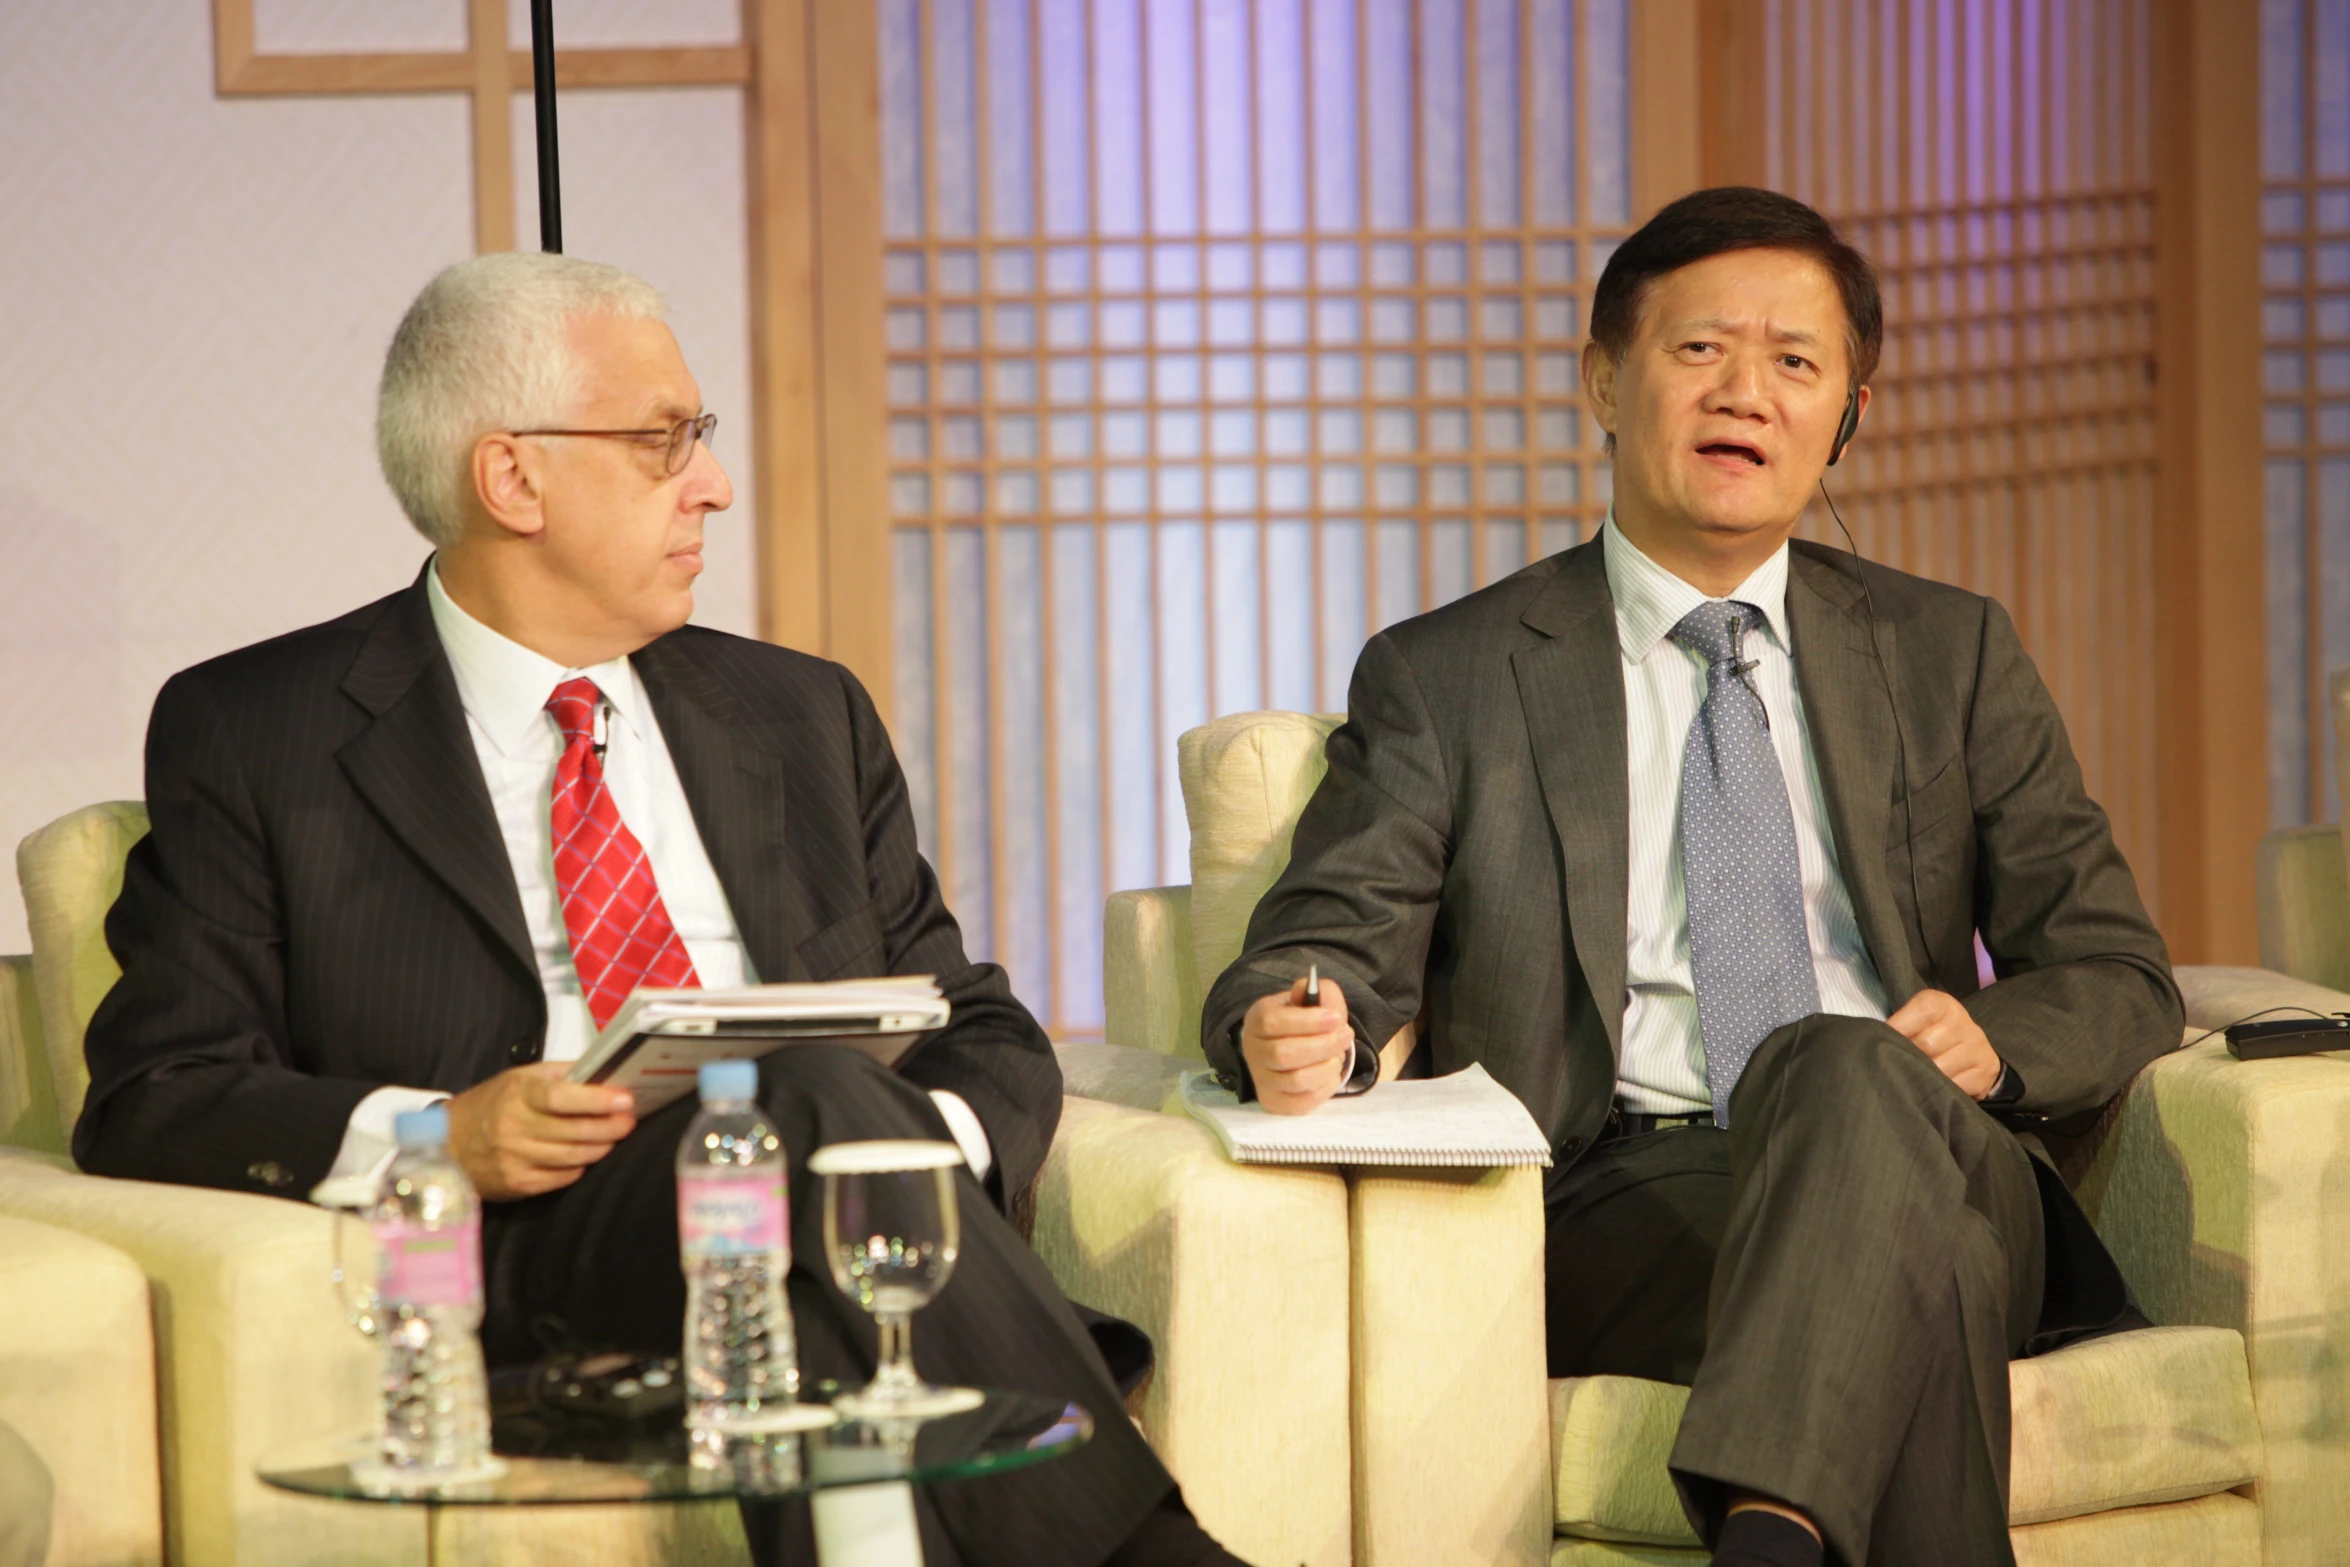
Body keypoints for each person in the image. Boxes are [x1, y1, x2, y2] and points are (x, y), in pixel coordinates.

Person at [76, 251, 1245, 1567]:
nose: (714, 482)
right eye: (661, 440)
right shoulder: (260, 729)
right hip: (547, 1252)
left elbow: (972, 1021)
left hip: (807, 1241)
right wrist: (439, 1133)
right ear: (510, 477)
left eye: (701, 435)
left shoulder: (799, 713)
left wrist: (893, 1180)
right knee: (797, 1097)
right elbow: (157, 1088)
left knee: (806, 1188)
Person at [1200, 187, 2178, 1567]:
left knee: (1844, 1071)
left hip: (1934, 1140)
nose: (1747, 394)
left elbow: (2116, 970)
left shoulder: (1943, 650)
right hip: (1629, 1190)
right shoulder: (1451, 674)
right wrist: (1288, 1021)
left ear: (1845, 412)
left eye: (1796, 363)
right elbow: (1324, 942)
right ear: (1603, 379)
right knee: (1929, 1270)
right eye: (1698, 350)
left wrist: (1990, 1035)